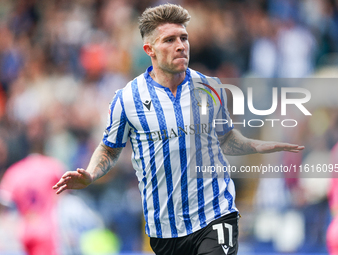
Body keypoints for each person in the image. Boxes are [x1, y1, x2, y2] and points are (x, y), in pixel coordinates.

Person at [53, 4, 304, 255]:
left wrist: (257, 146)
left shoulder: (210, 88)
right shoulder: (128, 98)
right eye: (170, 40)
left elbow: (226, 137)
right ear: (149, 49)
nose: (181, 45)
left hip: (215, 215)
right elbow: (109, 149)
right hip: (166, 229)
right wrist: (90, 174)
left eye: (184, 38)